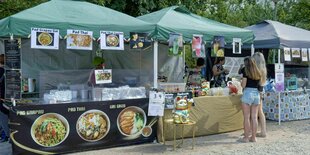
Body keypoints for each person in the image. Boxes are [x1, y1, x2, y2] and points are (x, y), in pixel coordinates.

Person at [240, 57, 262, 143]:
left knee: (246, 117)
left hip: (248, 93)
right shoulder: (258, 71)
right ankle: (253, 137)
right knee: (254, 117)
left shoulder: (245, 71)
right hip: (256, 94)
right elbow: (260, 85)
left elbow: (243, 85)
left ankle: (246, 138)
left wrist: (241, 81)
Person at [252, 52, 267, 137]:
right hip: (261, 91)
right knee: (260, 112)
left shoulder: (256, 70)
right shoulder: (263, 69)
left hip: (258, 91)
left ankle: (261, 131)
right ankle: (262, 131)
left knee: (257, 112)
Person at [0, 54, 9, 142]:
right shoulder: (6, 71)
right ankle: (5, 135)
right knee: (4, 118)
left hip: (2, 99)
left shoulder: (2, 71)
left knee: (3, 118)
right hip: (5, 98)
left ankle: (5, 136)